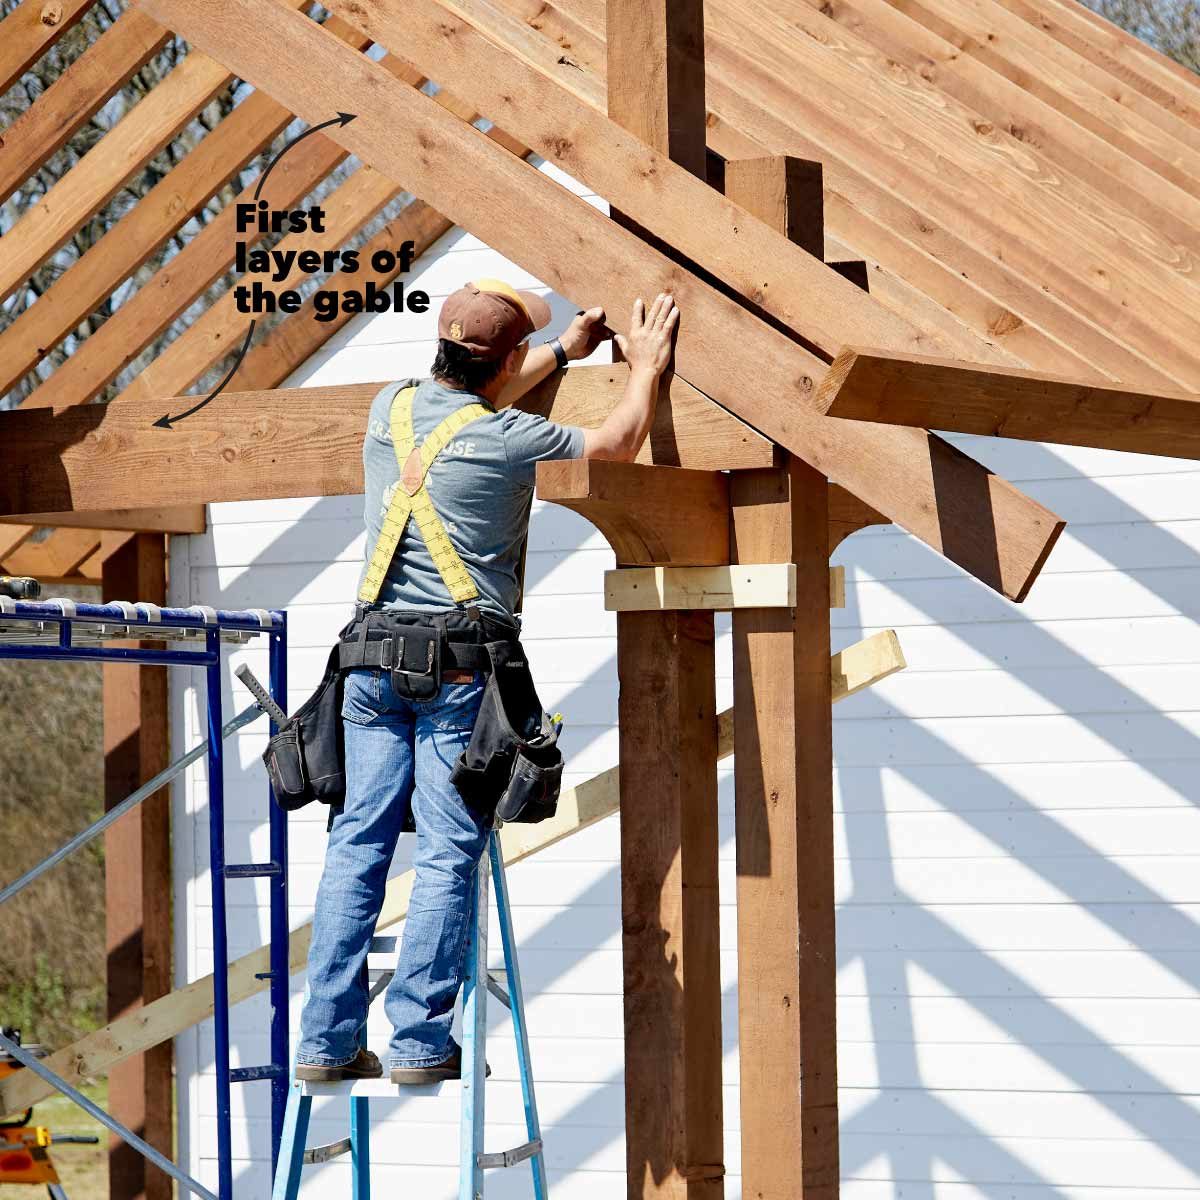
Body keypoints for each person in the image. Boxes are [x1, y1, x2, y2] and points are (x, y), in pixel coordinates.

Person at [295, 279, 679, 1084]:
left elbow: (475, 397)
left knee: (357, 845)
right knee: (445, 850)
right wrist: (642, 367)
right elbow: (613, 445)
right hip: (454, 671)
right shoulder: (510, 439)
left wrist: (558, 353)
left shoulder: (386, 409)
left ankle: (325, 1043)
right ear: (505, 363)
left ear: (442, 345)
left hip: (366, 665)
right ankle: (418, 1043)